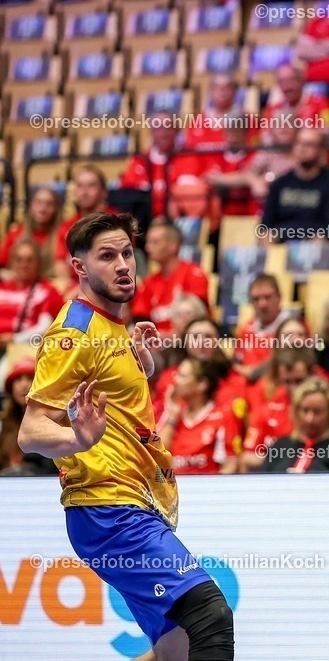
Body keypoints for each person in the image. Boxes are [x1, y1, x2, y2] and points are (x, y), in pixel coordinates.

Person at [18, 212, 234, 659]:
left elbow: (116, 407)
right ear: (79, 268)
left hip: (136, 503)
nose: (122, 265)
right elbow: (30, 432)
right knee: (210, 615)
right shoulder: (72, 333)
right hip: (108, 510)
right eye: (106, 256)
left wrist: (141, 366)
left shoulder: (113, 326)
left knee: (179, 646)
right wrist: (77, 440)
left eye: (126, 253)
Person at [240, 346, 319, 472]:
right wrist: (284, 460)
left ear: (313, 374)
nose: (294, 389)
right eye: (287, 382)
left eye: (299, 381)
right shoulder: (266, 412)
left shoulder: (325, 411)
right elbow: (248, 457)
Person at [261, 129, 329, 242]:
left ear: (321, 150)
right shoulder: (280, 184)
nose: (302, 149)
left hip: (317, 247)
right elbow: (266, 225)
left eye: (309, 145)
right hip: (281, 246)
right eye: (299, 143)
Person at [158, 357, 240, 475]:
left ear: (202, 385)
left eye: (183, 376)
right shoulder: (174, 414)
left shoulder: (222, 417)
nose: (176, 380)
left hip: (207, 489)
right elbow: (158, 454)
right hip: (174, 487)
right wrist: (172, 418)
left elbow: (229, 467)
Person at [130, 219, 210, 335]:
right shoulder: (148, 282)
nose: (147, 247)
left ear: (173, 245)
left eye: (155, 242)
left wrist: (167, 337)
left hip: (188, 343)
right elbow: (140, 319)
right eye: (148, 242)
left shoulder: (194, 274)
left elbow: (196, 319)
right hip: (157, 347)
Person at [261, 377, 329, 472]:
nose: (309, 419)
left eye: (317, 412)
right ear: (296, 410)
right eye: (305, 410)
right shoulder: (281, 445)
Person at [0, 240, 64, 352]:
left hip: (22, 348)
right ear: (11, 262)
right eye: (19, 259)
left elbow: (44, 328)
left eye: (29, 260)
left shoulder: (47, 291)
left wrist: (14, 339)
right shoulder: (2, 288)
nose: (24, 265)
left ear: (38, 263)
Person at [232, 274, 295, 382]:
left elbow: (290, 361)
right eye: (256, 299)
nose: (262, 304)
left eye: (268, 297)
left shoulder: (293, 327)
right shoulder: (246, 329)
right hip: (246, 388)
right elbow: (236, 363)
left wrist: (254, 373)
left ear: (279, 297)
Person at [0, 357, 56, 476]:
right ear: (11, 388)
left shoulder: (54, 422)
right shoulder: (4, 425)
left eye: (30, 379)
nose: (24, 385)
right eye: (18, 380)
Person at [0, 186, 62, 273]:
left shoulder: (62, 236)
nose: (43, 208)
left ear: (56, 209)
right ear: (32, 206)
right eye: (39, 202)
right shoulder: (15, 234)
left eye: (49, 204)